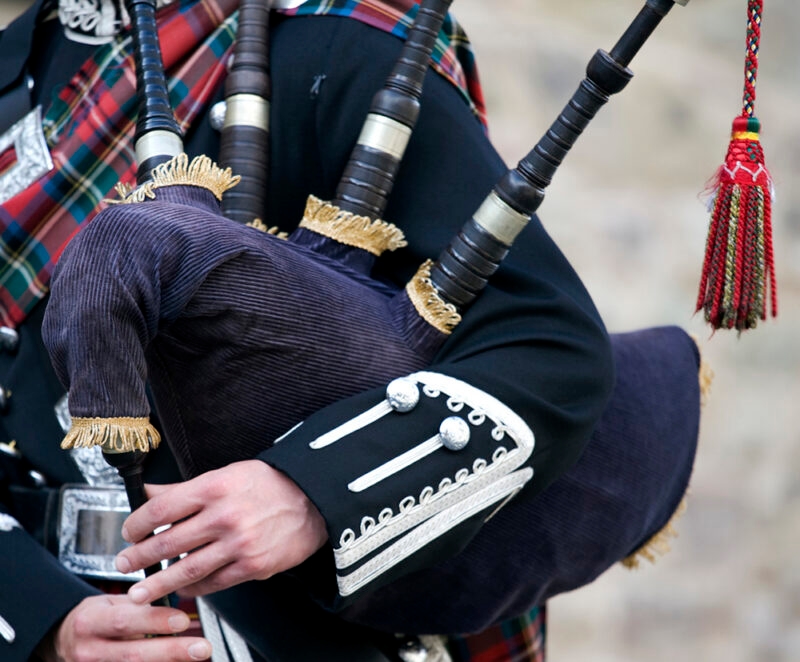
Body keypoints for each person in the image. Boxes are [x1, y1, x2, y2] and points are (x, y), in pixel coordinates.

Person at [3, 0, 628, 660]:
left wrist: (310, 491)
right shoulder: (16, 65)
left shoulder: (341, 47)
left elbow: (548, 350)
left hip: (295, 629)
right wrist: (44, 618)